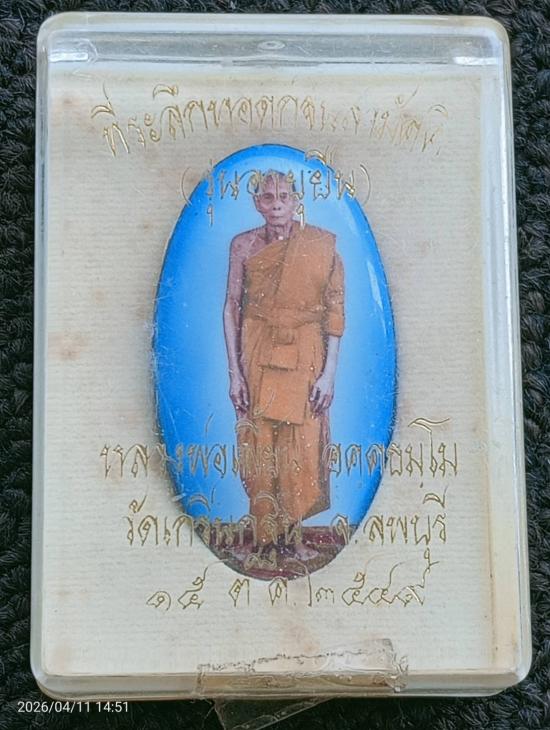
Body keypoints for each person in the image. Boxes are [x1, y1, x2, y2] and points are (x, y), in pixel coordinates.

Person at [223, 170, 345, 560]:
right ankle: (263, 540)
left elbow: (335, 313)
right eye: (267, 197)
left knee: (302, 444)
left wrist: (329, 374)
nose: (276, 204)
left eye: (284, 197)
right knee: (259, 440)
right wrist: (234, 373)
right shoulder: (243, 245)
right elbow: (231, 306)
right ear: (256, 203)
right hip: (257, 347)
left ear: (296, 201)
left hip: (306, 350)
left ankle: (293, 538)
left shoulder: (320, 245)